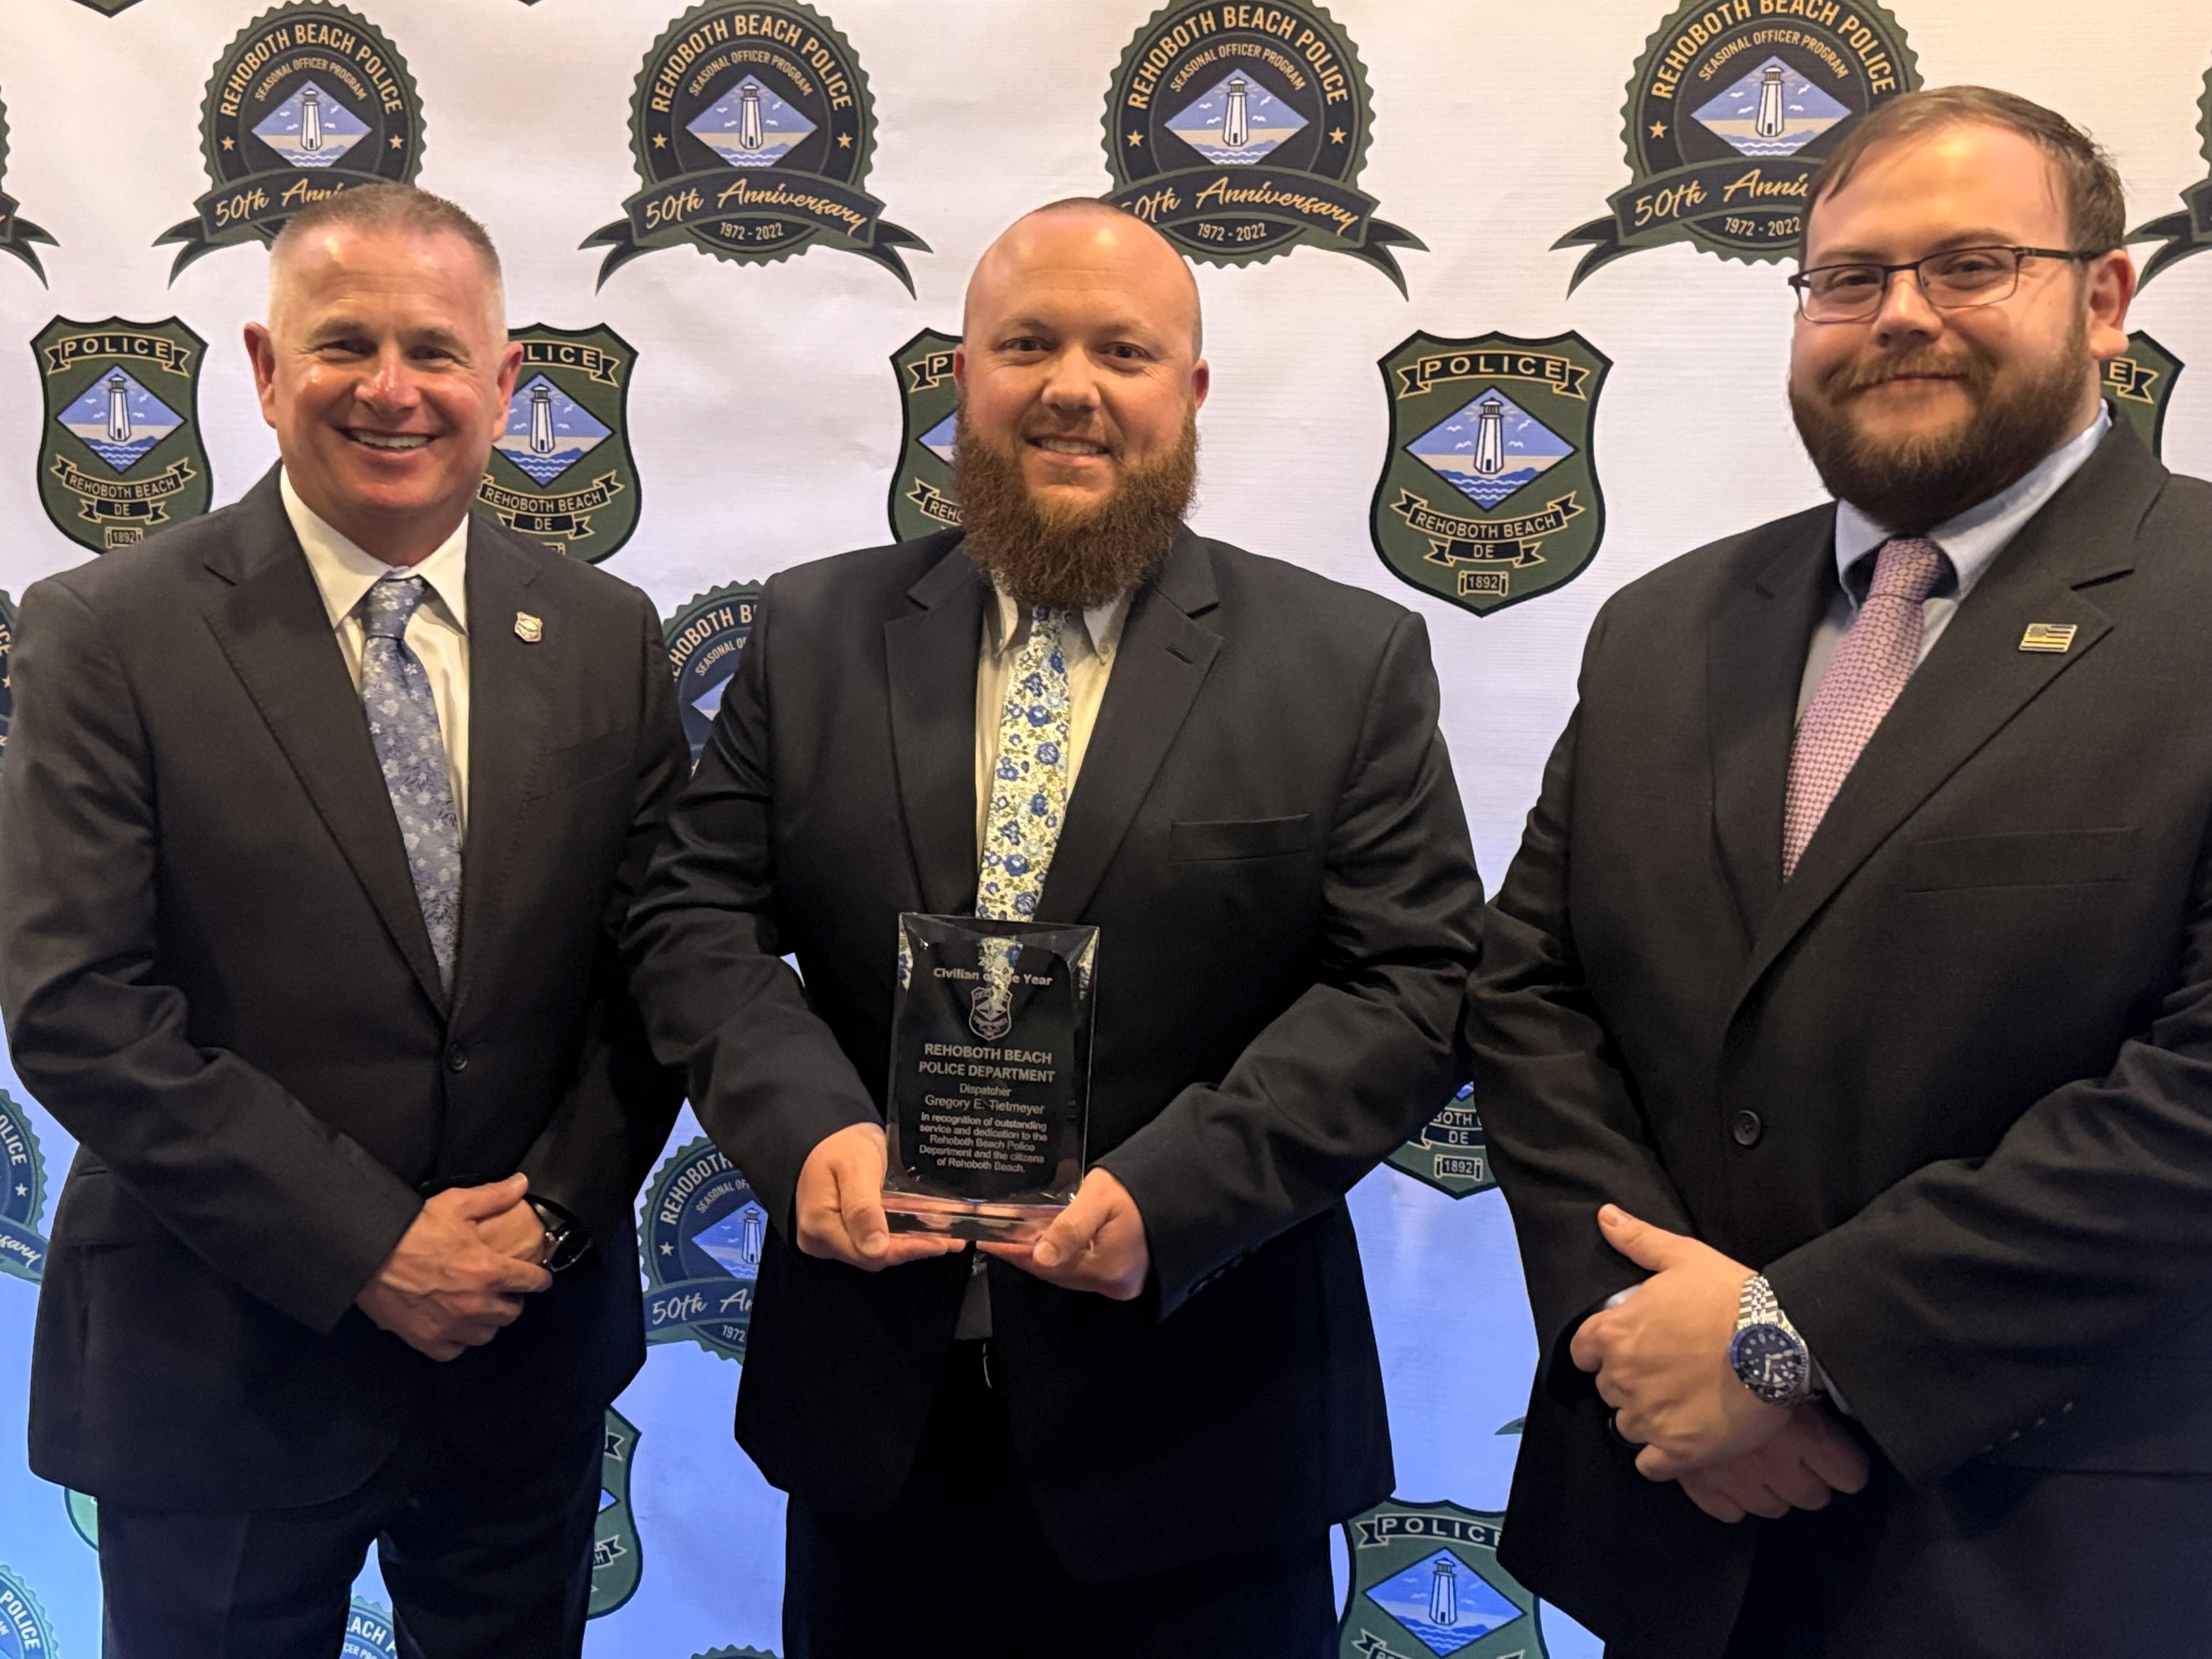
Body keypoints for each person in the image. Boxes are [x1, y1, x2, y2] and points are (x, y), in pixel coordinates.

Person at [623, 197, 1485, 1657]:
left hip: (1203, 1424)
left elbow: (1414, 985)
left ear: (1191, 394)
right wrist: (806, 1132)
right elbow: (690, 912)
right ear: (959, 376)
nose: (1070, 387)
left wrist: (1174, 1194)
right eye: (1026, 343)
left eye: (1123, 350)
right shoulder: (811, 632)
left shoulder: (1345, 661)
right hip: (874, 1423)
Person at [1468, 85, 2212, 1657]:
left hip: (2064, 1552)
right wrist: (1637, 1334)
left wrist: (1793, 1345)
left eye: (1969, 266)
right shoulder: (1664, 627)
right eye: (1850, 278)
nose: (1902, 318)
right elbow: (1533, 999)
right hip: (1678, 1536)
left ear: (2105, 294)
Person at [0, 184, 687, 1658]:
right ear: (261, 368)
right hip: (220, 1369)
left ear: (505, 382)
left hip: (523, 1355)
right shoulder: (105, 634)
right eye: (344, 343)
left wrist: (549, 1223)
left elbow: (659, 979)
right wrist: (369, 1244)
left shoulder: (606, 638)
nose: (392, 388)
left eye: (435, 350)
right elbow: (78, 1006)